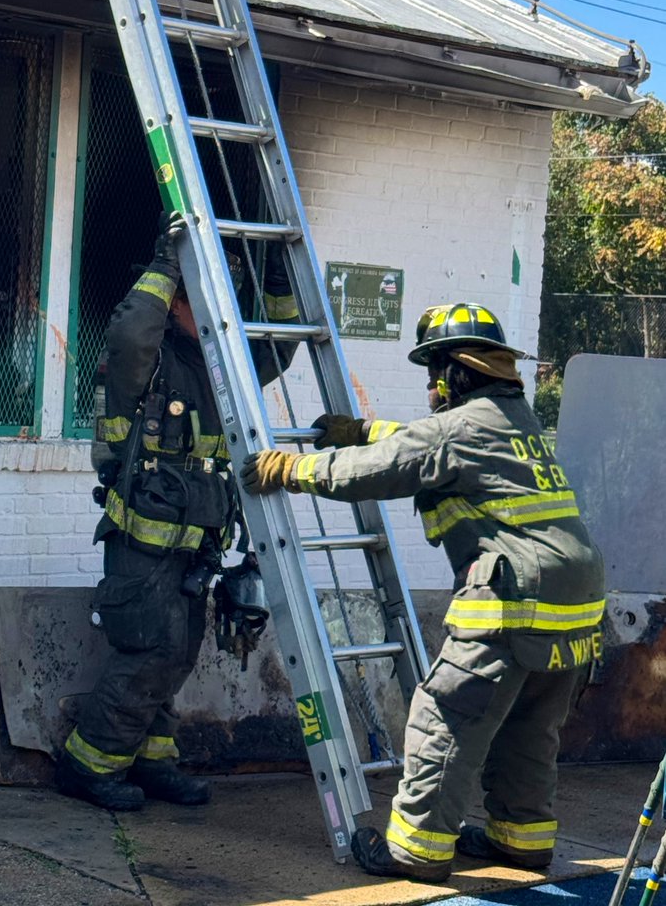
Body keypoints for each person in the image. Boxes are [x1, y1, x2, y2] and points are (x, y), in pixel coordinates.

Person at [242, 302, 605, 883]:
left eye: (434, 371)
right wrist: (363, 431)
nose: (431, 385)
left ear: (456, 372)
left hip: (518, 594)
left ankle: (417, 851)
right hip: (580, 600)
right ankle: (524, 838)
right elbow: (422, 442)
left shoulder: (459, 428)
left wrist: (289, 469)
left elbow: (380, 468)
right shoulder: (513, 418)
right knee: (529, 725)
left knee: (446, 716)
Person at [56, 211, 297, 812]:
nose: (215, 312)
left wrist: (277, 282)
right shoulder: (147, 359)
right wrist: (166, 263)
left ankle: (152, 759)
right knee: (149, 649)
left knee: (181, 650)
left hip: (196, 543)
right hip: (143, 542)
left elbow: (280, 347)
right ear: (174, 301)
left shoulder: (214, 364)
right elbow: (131, 328)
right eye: (199, 299)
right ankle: (88, 763)